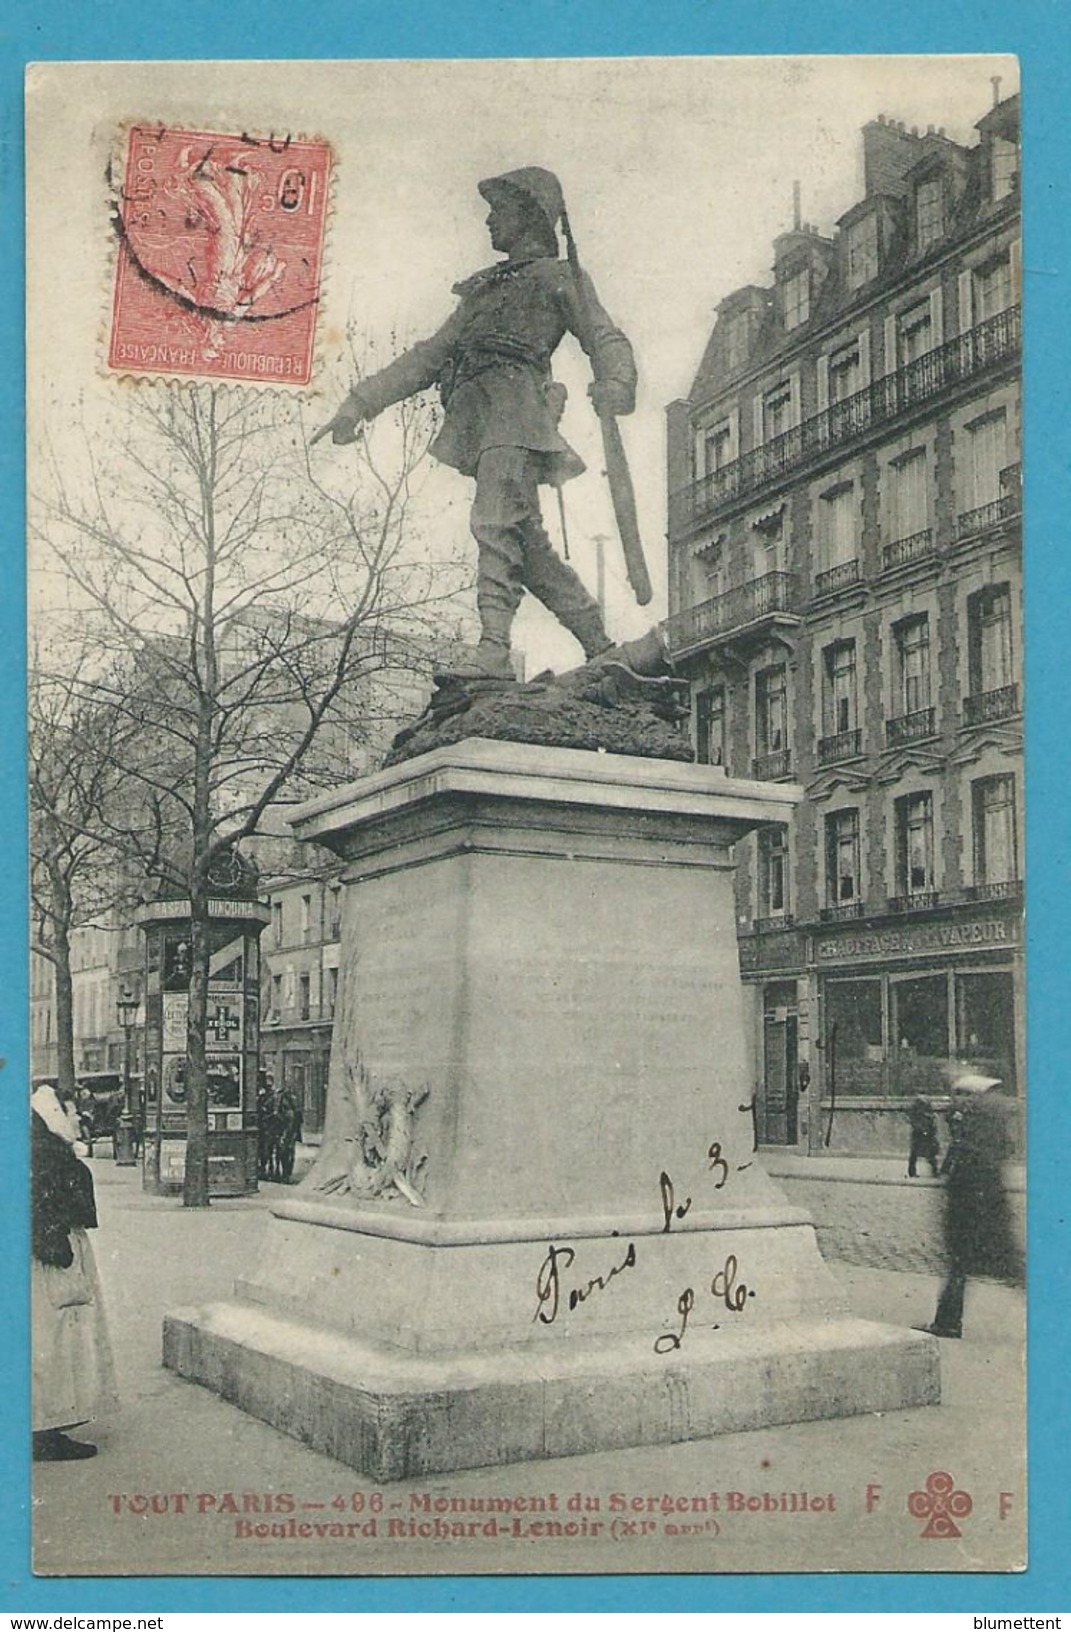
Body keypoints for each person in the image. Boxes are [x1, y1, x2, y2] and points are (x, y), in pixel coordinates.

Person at [316, 167, 637, 680]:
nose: (489, 220)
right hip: (484, 420)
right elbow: (430, 357)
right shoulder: (483, 292)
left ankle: (493, 651)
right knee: (525, 544)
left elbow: (605, 338)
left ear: (529, 216)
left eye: (499, 210)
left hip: (519, 417)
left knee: (492, 523)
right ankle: (600, 644)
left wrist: (617, 384)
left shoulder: (558, 277)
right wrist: (360, 402)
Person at [31, 1083, 118, 1460]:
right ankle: (44, 1429)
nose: (77, 1117)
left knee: (54, 1335)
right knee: (53, 1336)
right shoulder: (44, 1153)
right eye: (70, 1111)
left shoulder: (46, 1148)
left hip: (50, 1251)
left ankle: (45, 1422)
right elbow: (34, 1204)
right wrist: (55, 1246)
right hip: (49, 1258)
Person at [917, 1075, 1023, 1340]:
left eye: (963, 1095)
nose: (958, 1101)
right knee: (979, 1265)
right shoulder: (988, 1120)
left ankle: (947, 1323)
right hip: (984, 1206)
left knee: (999, 1266)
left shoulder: (976, 1126)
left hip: (974, 1209)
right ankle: (946, 1322)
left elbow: (967, 1168)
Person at [906, 1094, 940, 1178]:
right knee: (919, 1155)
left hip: (926, 1136)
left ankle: (933, 1171)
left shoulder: (927, 1116)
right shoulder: (919, 1115)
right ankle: (913, 1172)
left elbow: (933, 1126)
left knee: (927, 1155)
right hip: (921, 1136)